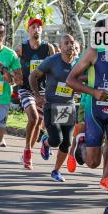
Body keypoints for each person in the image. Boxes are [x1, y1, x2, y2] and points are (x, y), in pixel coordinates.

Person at [66, 18, 108, 214]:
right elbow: (71, 79)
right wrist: (93, 91)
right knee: (93, 162)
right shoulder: (93, 53)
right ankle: (82, 144)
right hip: (95, 112)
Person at [30, 34, 78, 182]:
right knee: (56, 140)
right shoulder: (52, 61)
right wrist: (37, 95)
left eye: (72, 43)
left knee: (67, 143)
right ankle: (46, 141)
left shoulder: (78, 63)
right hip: (51, 105)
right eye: (66, 43)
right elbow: (33, 76)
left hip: (68, 106)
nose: (70, 46)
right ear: (61, 46)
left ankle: (56, 171)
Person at [15, 18, 56, 169]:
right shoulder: (21, 48)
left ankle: (33, 148)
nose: (36, 29)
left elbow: (54, 67)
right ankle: (27, 150)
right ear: (28, 30)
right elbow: (14, 65)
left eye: (39, 27)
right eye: (33, 27)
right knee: (32, 117)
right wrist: (15, 77)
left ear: (42, 30)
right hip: (26, 88)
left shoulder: (48, 48)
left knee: (40, 122)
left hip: (43, 90)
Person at [0, 20, 23, 181]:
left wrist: (12, 79)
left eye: (2, 32)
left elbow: (19, 78)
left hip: (2, 99)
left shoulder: (10, 54)